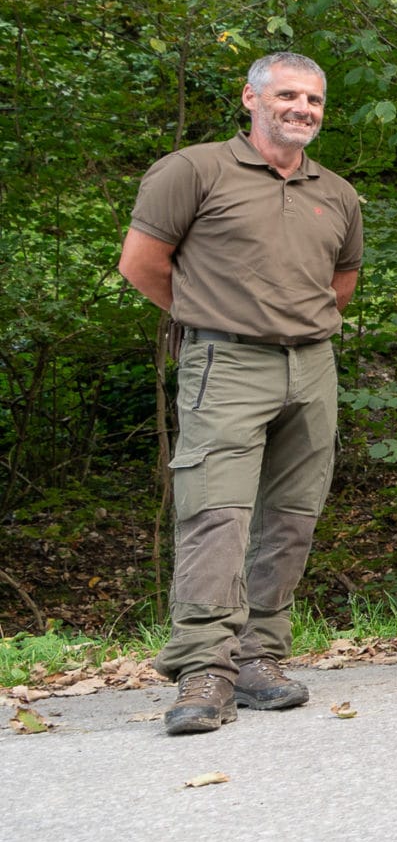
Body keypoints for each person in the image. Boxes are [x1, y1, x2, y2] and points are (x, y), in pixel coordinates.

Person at [119, 52, 363, 735]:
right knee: (215, 514)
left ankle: (258, 658)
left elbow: (340, 285)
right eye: (288, 95)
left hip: (312, 367)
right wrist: (213, 316)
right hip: (224, 364)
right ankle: (204, 667)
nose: (302, 109)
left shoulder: (336, 192)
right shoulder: (194, 171)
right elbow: (141, 265)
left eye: (313, 99)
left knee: (292, 516)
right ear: (250, 98)